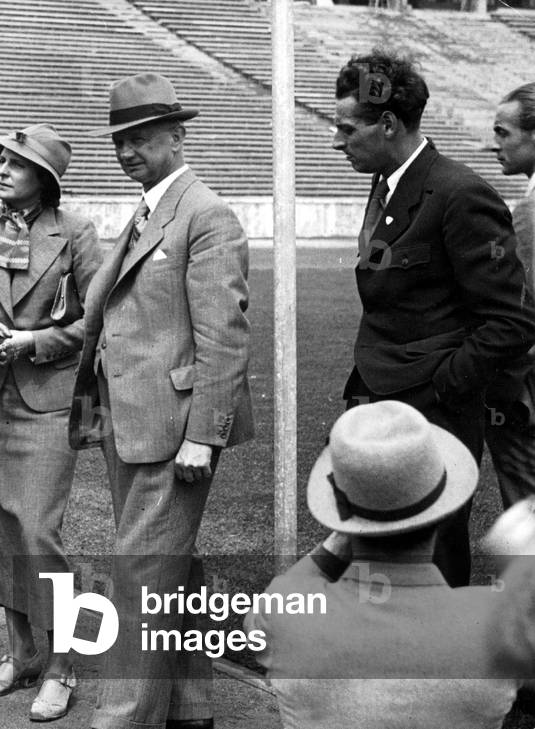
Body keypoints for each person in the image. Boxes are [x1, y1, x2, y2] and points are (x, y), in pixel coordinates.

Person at [70, 73, 254, 729]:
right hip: (133, 423)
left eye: (142, 138)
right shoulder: (150, 206)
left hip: (173, 429)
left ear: (178, 136)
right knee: (170, 569)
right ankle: (190, 707)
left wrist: (203, 434)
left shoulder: (204, 214)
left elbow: (223, 336)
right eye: (121, 140)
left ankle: (121, 718)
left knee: (137, 579)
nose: (128, 151)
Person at [332, 50, 535, 587]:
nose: (336, 141)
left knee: (433, 559)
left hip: (435, 412)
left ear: (390, 124)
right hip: (388, 403)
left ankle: (442, 668)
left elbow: (511, 321)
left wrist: (443, 387)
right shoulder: (390, 182)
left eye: (347, 128)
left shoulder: (459, 192)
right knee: (387, 559)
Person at [0, 123, 103, 722]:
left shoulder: (77, 233)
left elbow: (95, 319)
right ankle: (21, 655)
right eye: (0, 160)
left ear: (46, 179)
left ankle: (64, 666)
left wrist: (32, 341)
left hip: (46, 403)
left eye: (16, 164)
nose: (1, 170)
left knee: (37, 534)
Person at [245, 400, 525, 729]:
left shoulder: (285, 612)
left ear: (343, 517)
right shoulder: (500, 623)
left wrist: (340, 536)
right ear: (445, 511)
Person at [485, 82, 535, 508]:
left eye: (503, 132)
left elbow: (522, 309)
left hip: (527, 392)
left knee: (526, 517)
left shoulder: (531, 211)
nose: (495, 144)